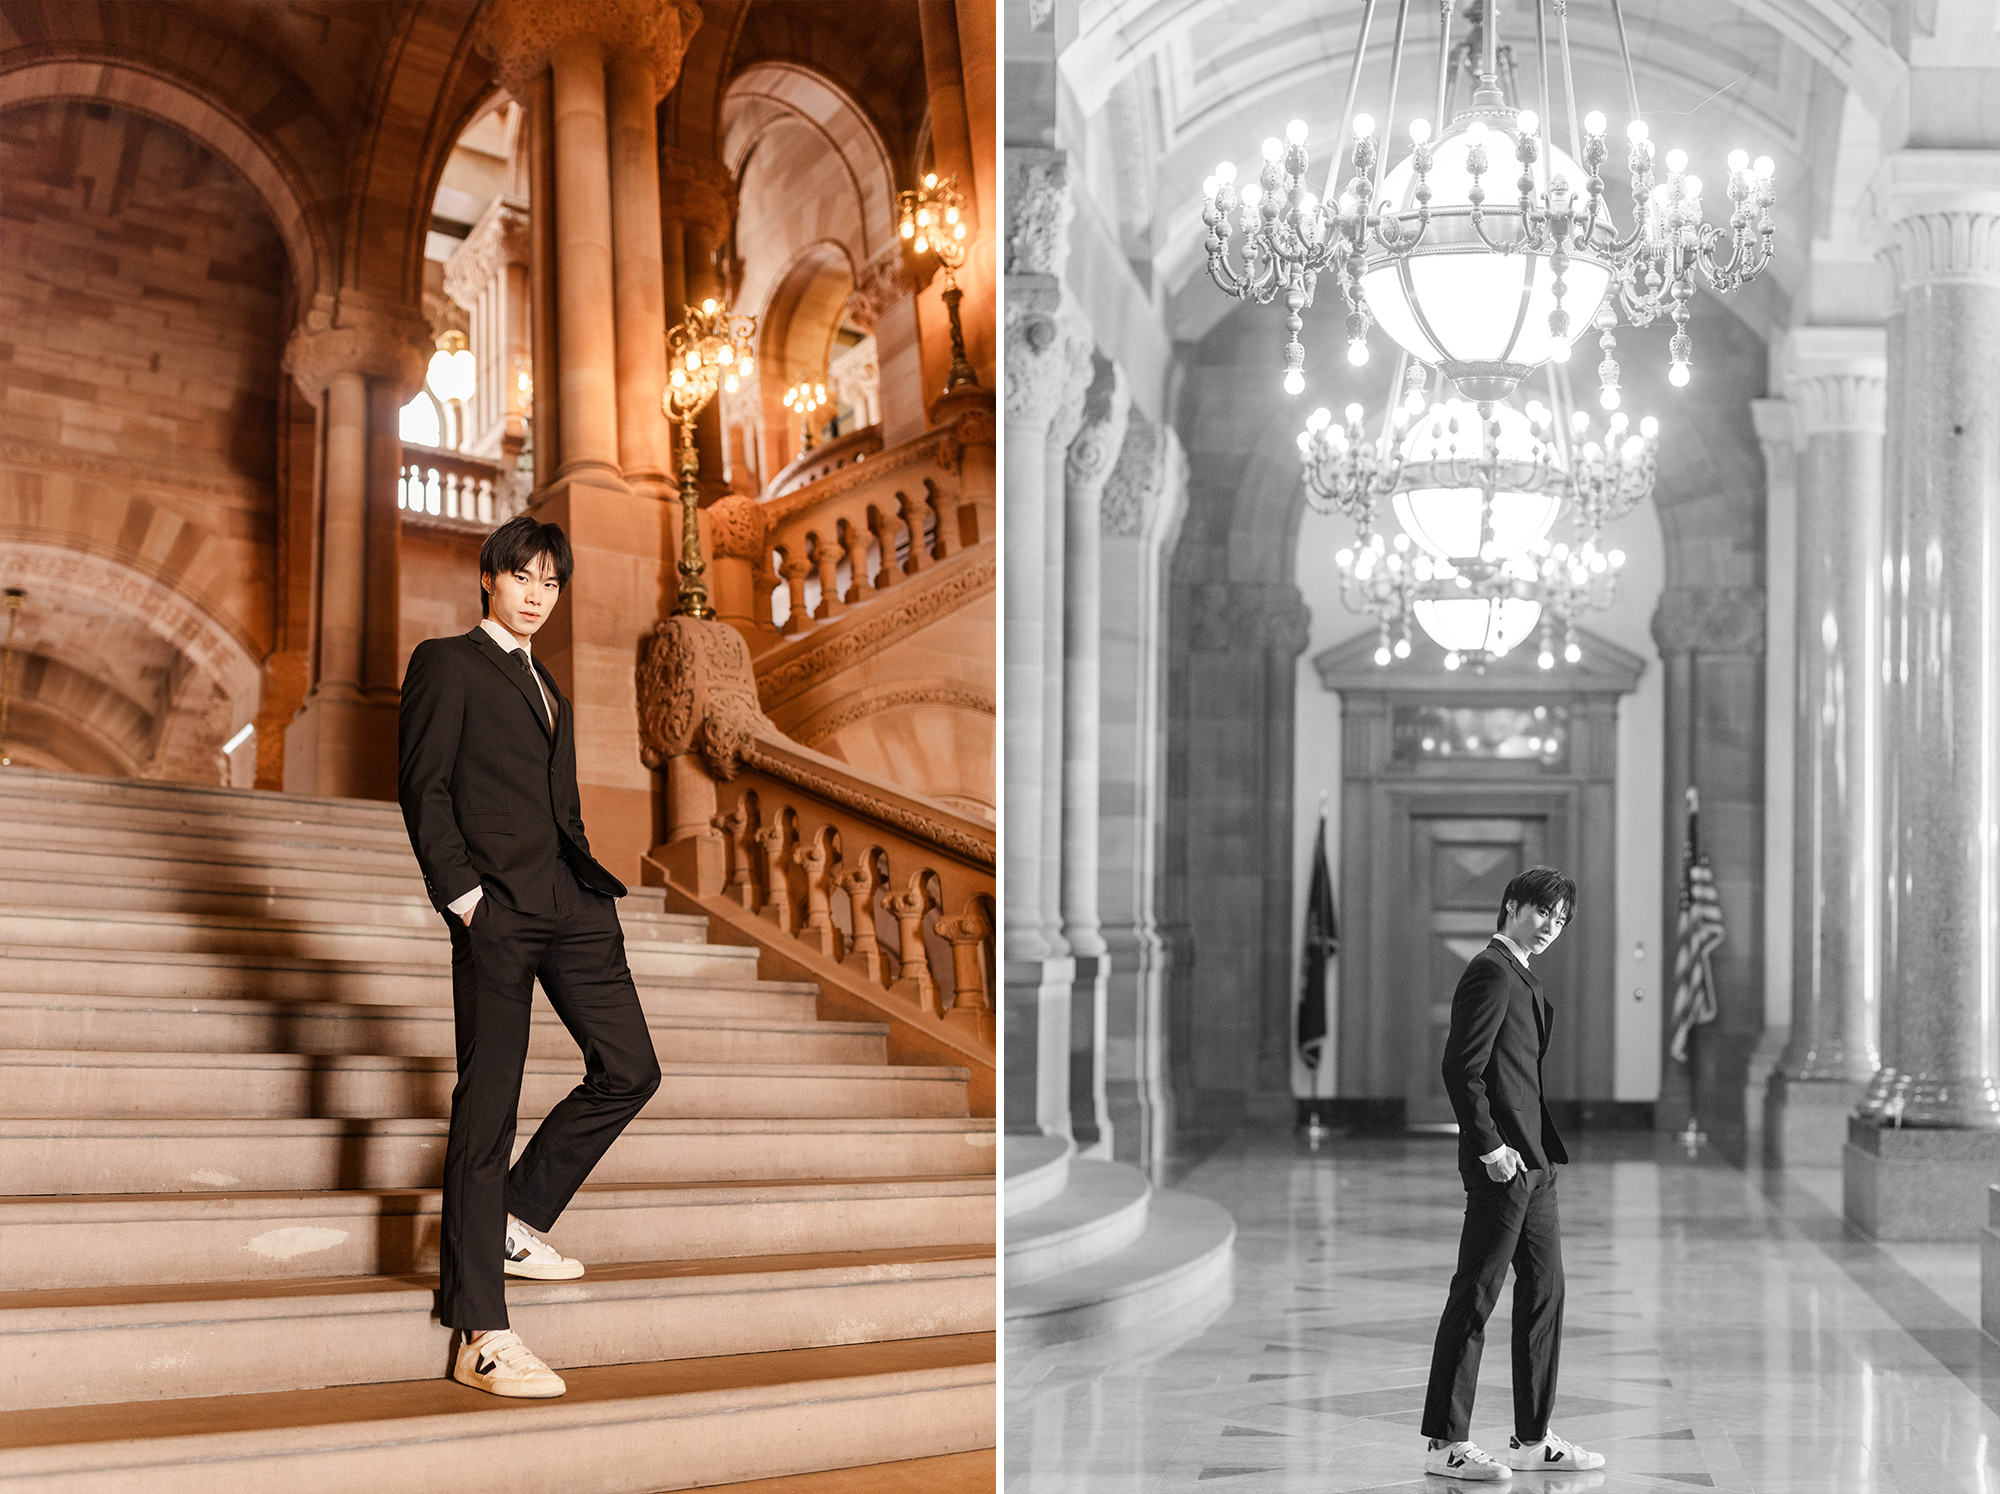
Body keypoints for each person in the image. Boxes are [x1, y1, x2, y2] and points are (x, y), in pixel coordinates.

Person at [398, 514, 662, 1398]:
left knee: (630, 1069)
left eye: (551, 583)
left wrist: (588, 890)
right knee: (489, 1109)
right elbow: (424, 786)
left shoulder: (549, 684)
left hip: (574, 905)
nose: (537, 596)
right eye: (523, 578)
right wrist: (465, 899)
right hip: (499, 913)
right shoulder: (446, 663)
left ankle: (513, 1214)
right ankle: (480, 1333)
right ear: (490, 577)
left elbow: (560, 803)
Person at [1419, 866, 1606, 1481]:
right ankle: (1446, 1444)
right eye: (1543, 911)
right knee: (1475, 1295)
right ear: (1511, 905)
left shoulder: (1520, 972)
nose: (1552, 925)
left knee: (1545, 1294)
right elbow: (1461, 1069)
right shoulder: (1491, 971)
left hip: (1536, 1165)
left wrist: (1531, 1157)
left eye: (1561, 918)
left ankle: (1533, 1439)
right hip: (1502, 1166)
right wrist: (1491, 1148)